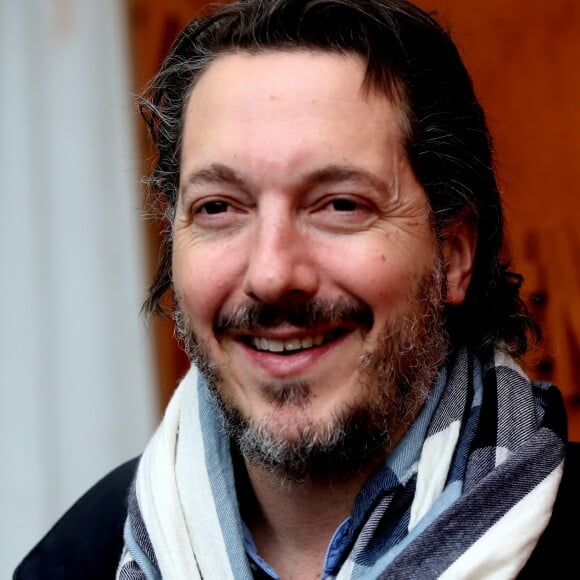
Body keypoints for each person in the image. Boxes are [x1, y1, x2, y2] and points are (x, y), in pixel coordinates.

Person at [14, 0, 580, 578]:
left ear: (453, 255)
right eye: (219, 208)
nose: (272, 274)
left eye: (339, 204)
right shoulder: (81, 558)